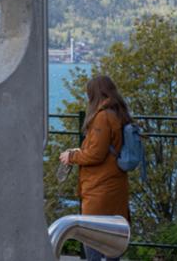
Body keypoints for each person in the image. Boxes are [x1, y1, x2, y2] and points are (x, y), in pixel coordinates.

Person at [59, 75, 132, 261]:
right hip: (115, 185)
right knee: (111, 241)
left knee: (91, 238)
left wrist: (72, 156)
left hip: (99, 188)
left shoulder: (102, 117)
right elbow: (103, 149)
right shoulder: (119, 113)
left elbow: (96, 154)